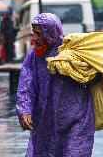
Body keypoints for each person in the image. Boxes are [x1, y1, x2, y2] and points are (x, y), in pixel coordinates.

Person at [16, 13, 95, 156]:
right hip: (46, 120)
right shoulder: (33, 57)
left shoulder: (72, 53)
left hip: (77, 119)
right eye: (34, 33)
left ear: (51, 32)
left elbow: (91, 76)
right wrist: (24, 110)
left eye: (39, 34)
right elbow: (26, 86)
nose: (35, 38)